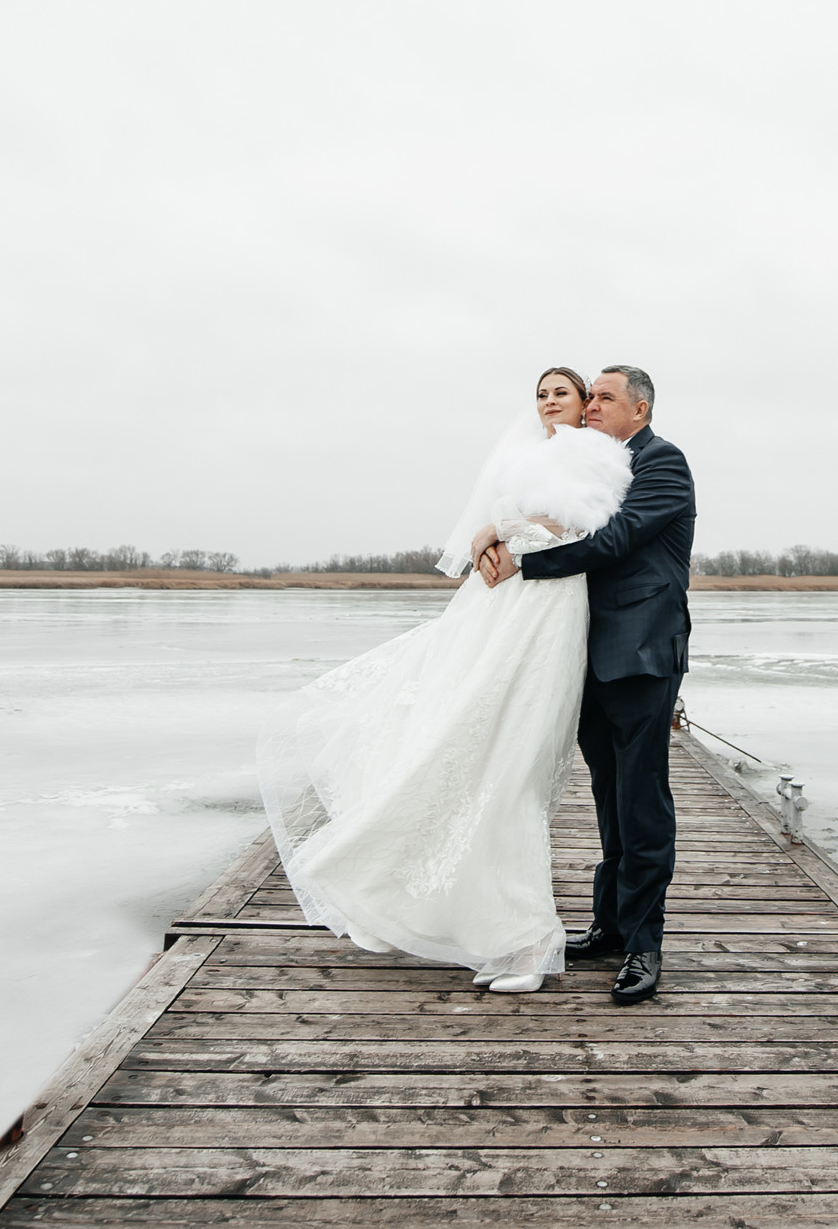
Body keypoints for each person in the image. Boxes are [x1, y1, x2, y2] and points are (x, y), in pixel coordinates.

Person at [258, 366, 630, 995]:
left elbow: (581, 529)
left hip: (547, 610)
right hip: (501, 607)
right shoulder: (527, 457)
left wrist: (503, 530)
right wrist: (494, 532)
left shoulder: (597, 455)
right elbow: (519, 525)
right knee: (464, 745)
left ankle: (527, 940)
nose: (553, 403)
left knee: (513, 767)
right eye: (543, 395)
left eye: (565, 393)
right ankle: (454, 913)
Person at [476, 365, 695, 1006]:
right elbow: (556, 513)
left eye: (604, 397)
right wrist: (500, 526)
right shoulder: (590, 459)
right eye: (590, 396)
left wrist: (524, 559)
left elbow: (617, 538)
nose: (591, 405)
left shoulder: (662, 464)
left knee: (643, 798)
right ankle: (609, 924)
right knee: (607, 794)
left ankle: (644, 944)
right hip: (579, 652)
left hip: (641, 653)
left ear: (641, 409)